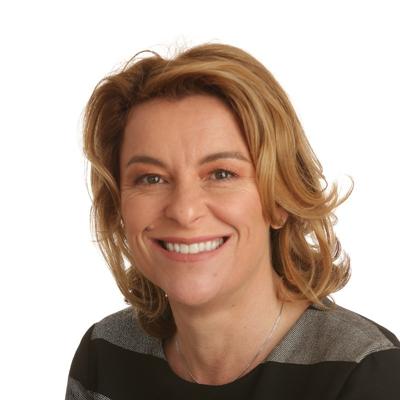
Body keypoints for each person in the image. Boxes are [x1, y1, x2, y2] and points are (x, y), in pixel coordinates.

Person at [65, 43, 400, 399]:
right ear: (118, 205)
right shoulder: (106, 355)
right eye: (151, 178)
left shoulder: (364, 373)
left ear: (280, 198)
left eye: (221, 174)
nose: (184, 210)